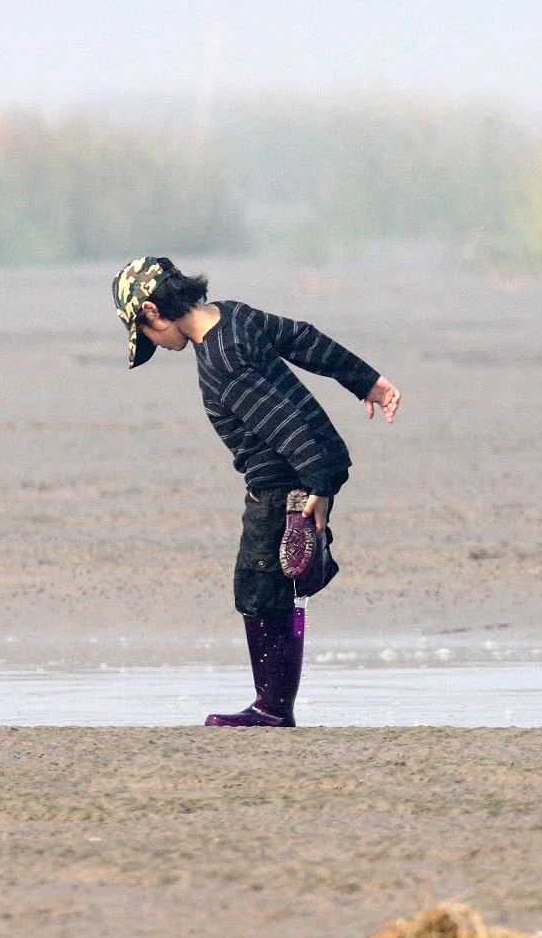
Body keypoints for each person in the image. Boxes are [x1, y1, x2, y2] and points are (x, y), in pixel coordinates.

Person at [112, 256, 401, 727]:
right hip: (307, 468)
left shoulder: (220, 360)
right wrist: (366, 380)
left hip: (282, 482)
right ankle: (275, 705)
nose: (155, 346)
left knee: (257, 588)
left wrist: (319, 485)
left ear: (151, 310)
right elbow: (304, 339)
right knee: (278, 585)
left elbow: (281, 423)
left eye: (145, 335)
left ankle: (272, 709)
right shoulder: (233, 315)